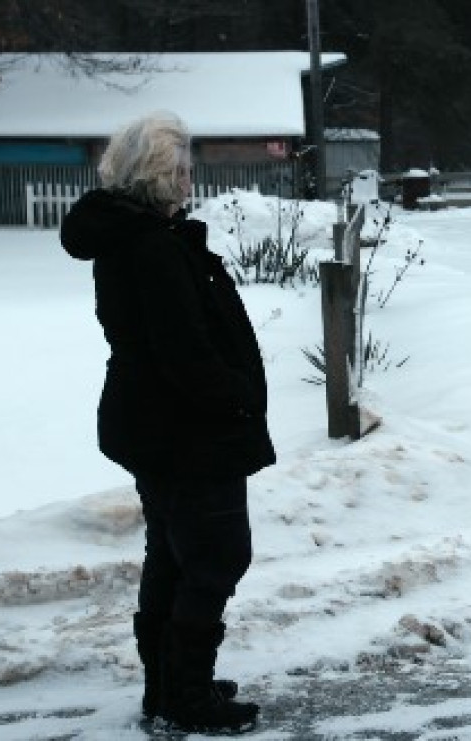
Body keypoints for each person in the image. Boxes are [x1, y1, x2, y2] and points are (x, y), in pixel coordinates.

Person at [60, 111, 275, 734]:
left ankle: (170, 684)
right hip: (185, 432)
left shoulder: (138, 237)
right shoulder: (149, 246)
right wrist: (235, 400)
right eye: (180, 171)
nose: (189, 182)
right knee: (215, 556)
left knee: (175, 557)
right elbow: (182, 352)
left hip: (155, 425)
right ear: (155, 175)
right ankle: (186, 696)